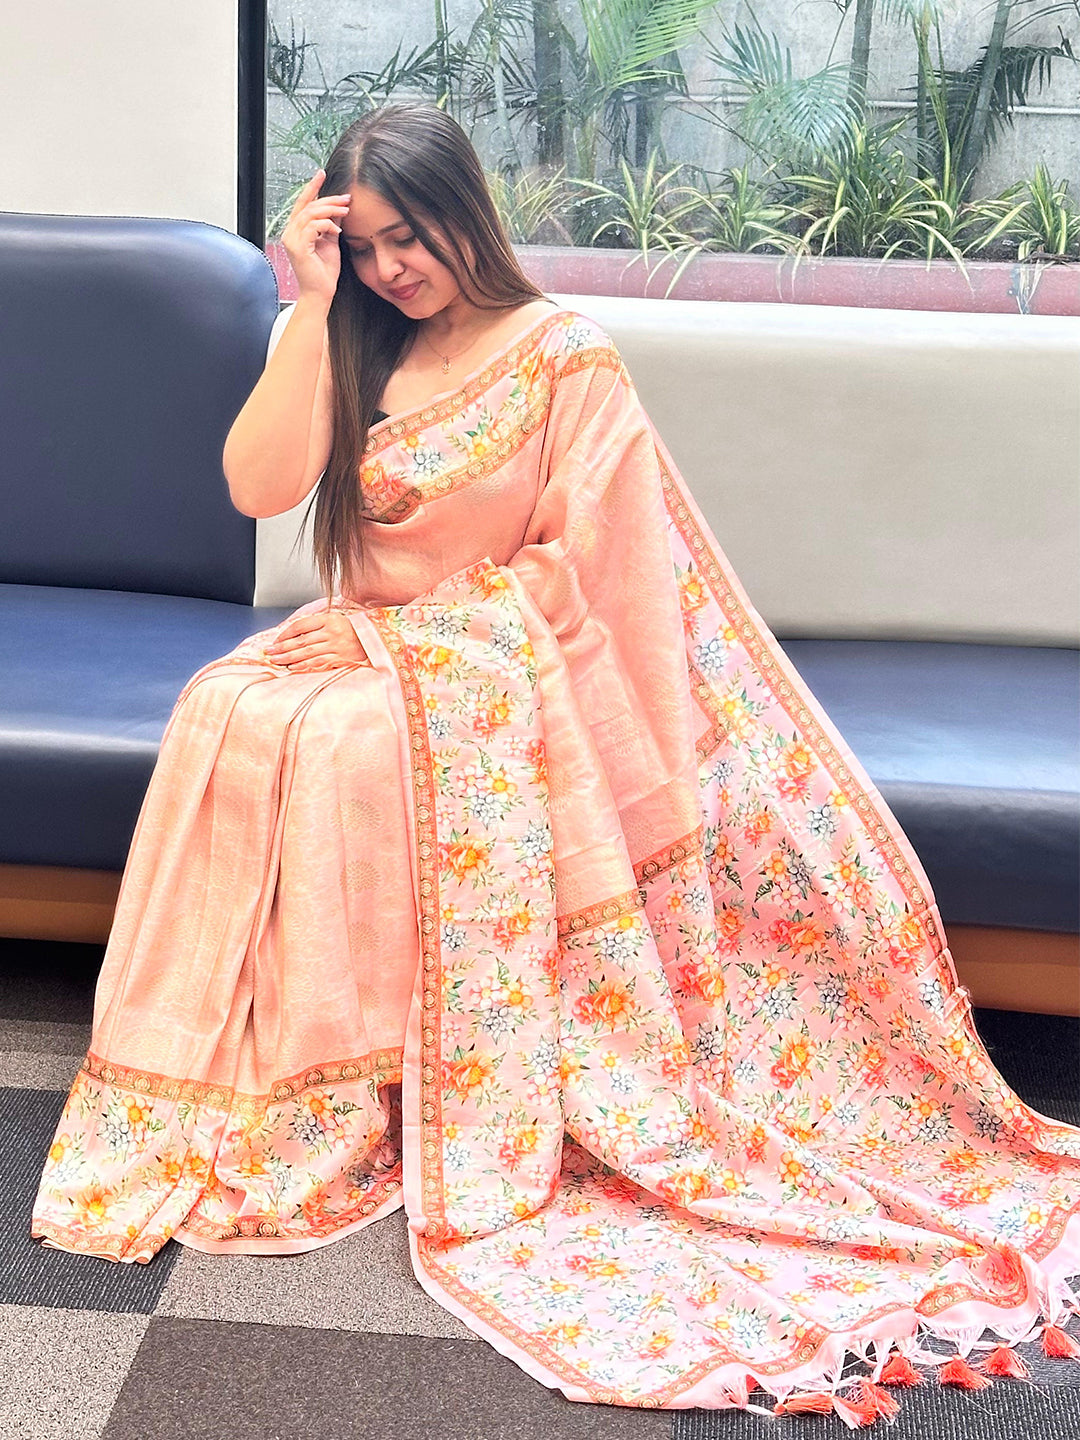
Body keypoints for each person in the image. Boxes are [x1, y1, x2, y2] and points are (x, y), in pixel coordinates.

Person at [31, 102, 1080, 1421]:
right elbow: (255, 489)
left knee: (346, 740)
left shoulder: (562, 355)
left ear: (469, 215)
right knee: (230, 709)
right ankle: (301, 1097)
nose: (396, 269)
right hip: (378, 648)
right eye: (368, 248)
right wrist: (307, 303)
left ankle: (406, 1086)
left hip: (513, 669)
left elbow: (610, 573)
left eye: (413, 239)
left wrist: (458, 650)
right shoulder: (356, 346)